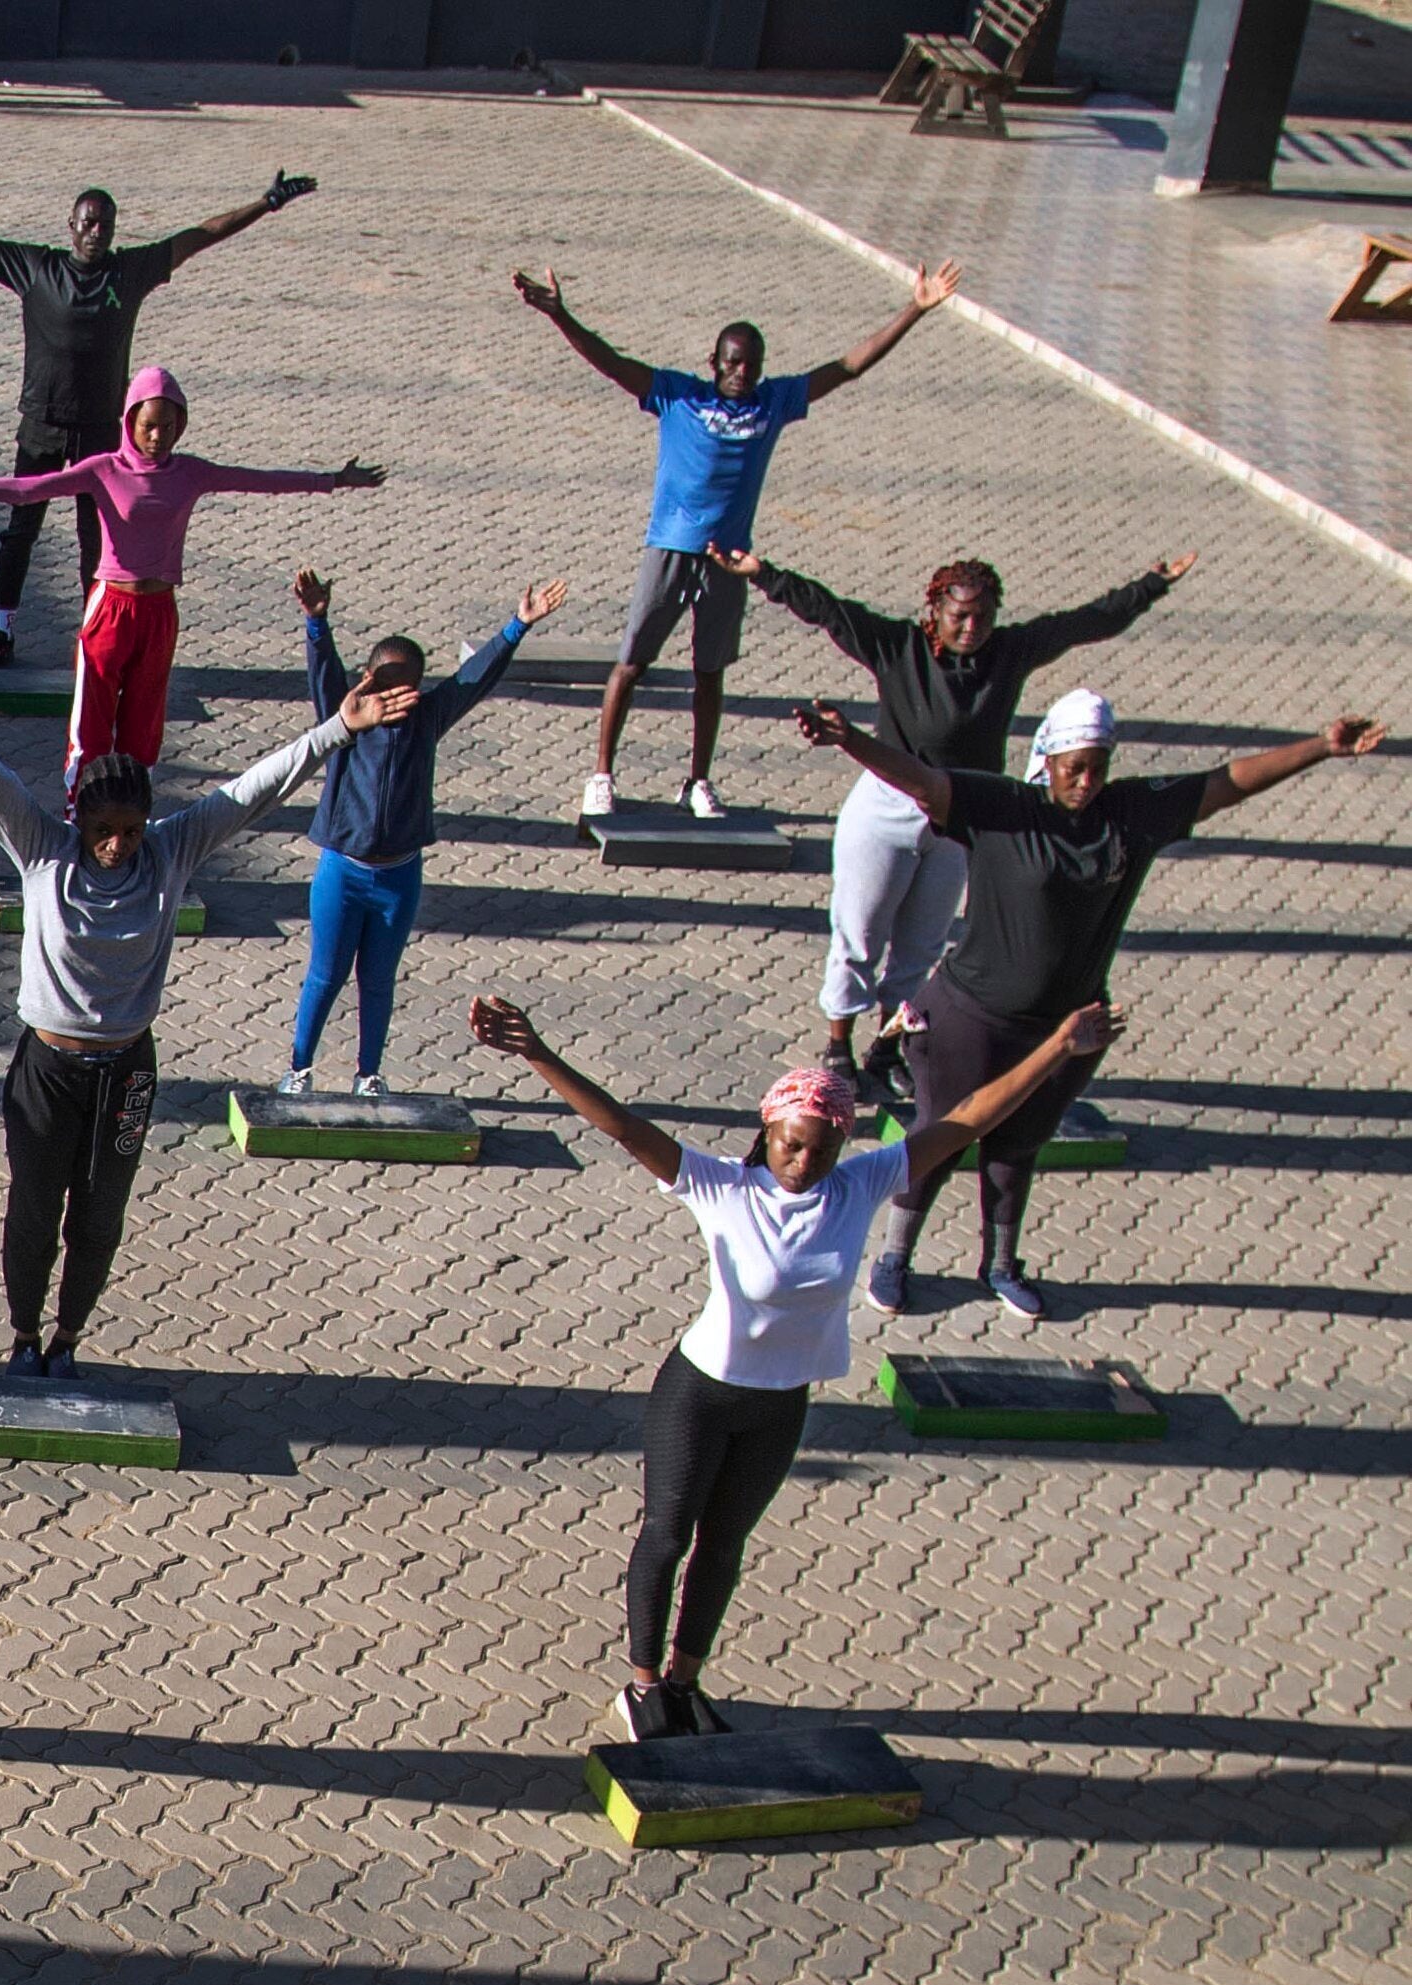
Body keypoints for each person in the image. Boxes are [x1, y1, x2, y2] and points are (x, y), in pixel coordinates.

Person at [471, 997, 1123, 1743]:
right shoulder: (723, 1188)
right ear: (767, 1134)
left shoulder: (860, 1187)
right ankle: (643, 1686)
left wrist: (1062, 1047)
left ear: (842, 1143)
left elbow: (971, 1118)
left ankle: (686, 1683)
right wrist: (536, 1051)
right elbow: (621, 1125)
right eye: (789, 1144)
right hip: (699, 1394)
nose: (802, 1162)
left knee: (725, 1546)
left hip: (780, 1404)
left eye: (818, 1149)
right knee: (666, 1534)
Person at [0, 645, 406, 1372]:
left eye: (130, 829)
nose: (117, 844)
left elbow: (254, 791)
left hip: (127, 1075)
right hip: (46, 1071)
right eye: (103, 831)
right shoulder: (43, 852)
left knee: (99, 1216)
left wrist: (336, 727)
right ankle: (23, 1336)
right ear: (78, 822)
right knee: (33, 1210)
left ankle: (67, 1341)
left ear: (150, 822)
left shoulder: (173, 852)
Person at [796, 688, 1382, 1316]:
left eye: (1098, 766)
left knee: (1017, 1151)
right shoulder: (1000, 807)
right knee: (939, 1141)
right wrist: (851, 740)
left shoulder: (1131, 814)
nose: (1086, 780)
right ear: (1046, 759)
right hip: (970, 1019)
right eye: (1074, 766)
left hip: (1068, 1030)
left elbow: (1225, 784)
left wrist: (1321, 748)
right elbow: (921, 779)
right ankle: (894, 1259)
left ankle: (999, 1265)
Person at [719, 539, 1194, 1085]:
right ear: (935, 612)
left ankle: (887, 1048)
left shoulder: (1010, 653)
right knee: (860, 933)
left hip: (965, 820)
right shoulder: (898, 646)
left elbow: (1084, 622)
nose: (973, 628)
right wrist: (761, 573)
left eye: (984, 617)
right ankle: (838, 1047)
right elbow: (827, 609)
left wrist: (1151, 585)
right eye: (960, 616)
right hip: (887, 809)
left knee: (922, 942)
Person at [509, 257, 963, 819]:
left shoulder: (774, 403)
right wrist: (562, 316)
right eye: (731, 363)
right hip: (670, 548)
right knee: (631, 663)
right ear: (714, 363)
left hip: (730, 561)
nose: (741, 373)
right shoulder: (677, 395)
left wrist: (914, 310)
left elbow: (847, 367)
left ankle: (698, 782)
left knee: (709, 672)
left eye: (750, 365)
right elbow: (610, 362)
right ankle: (601, 774)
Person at [0, 171, 319, 667]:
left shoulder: (130, 271)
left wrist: (267, 203)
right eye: (88, 223)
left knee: (99, 539)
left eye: (105, 225)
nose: (97, 233)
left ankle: (94, 636)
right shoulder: (36, 267)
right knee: (21, 532)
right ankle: (2, 631)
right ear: (71, 225)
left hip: (101, 433)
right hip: (42, 424)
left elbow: (202, 235)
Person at [0, 367, 378, 781]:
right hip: (111, 610)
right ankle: (77, 816)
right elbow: (29, 489)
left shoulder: (192, 472)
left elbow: (262, 481)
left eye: (168, 426)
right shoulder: (104, 469)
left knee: (144, 726)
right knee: (92, 728)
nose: (157, 436)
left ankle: (135, 824)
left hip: (159, 613)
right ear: (130, 422)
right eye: (148, 425)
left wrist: (333, 480)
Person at [284, 565, 567, 1094]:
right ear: (366, 680)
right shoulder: (344, 721)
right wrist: (317, 623)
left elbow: (472, 680)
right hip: (341, 874)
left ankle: (368, 1075)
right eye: (386, 683)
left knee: (378, 981)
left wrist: (517, 626)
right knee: (325, 976)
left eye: (409, 686)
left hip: (397, 879)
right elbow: (324, 676)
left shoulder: (429, 719)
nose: (398, 697)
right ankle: (298, 1069)